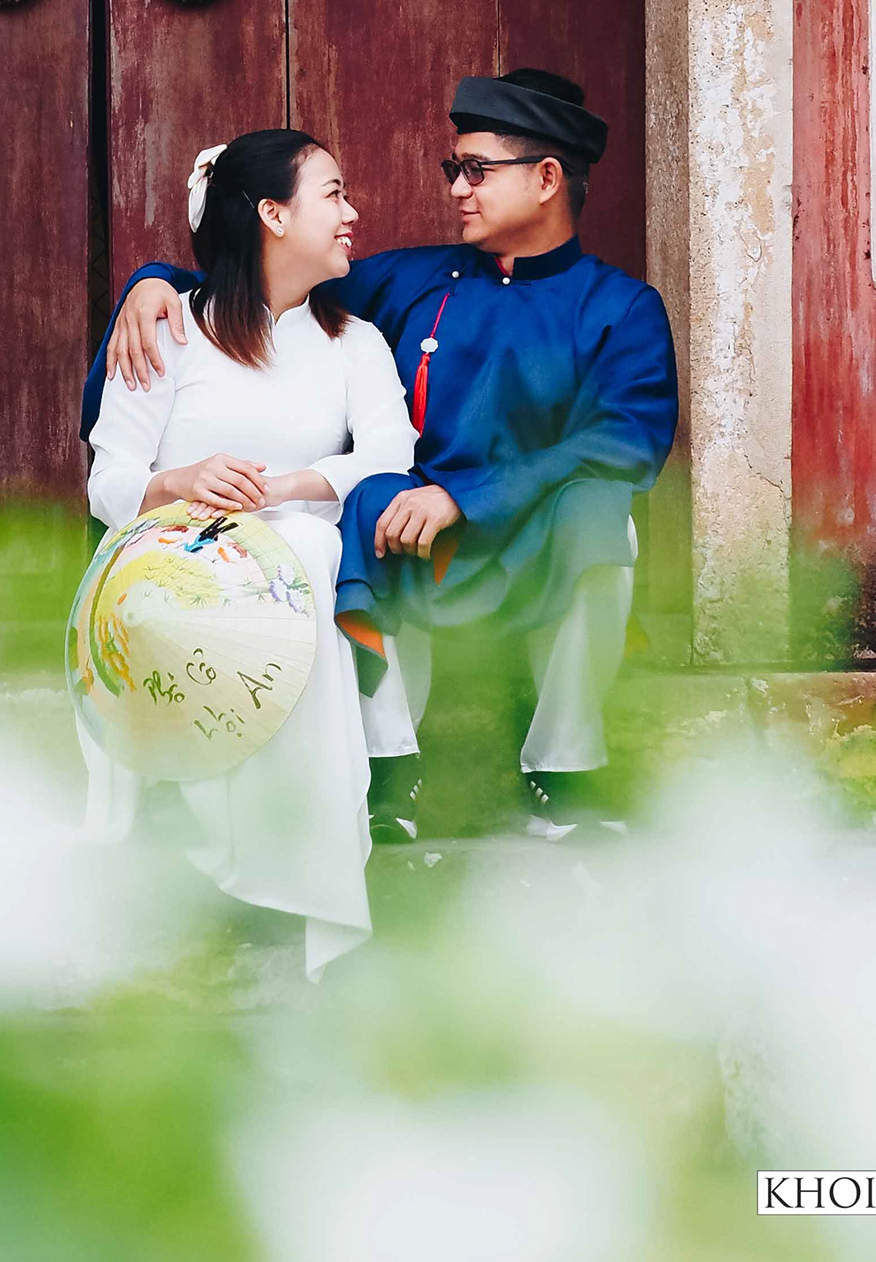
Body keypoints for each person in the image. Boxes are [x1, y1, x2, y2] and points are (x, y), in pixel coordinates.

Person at [87, 68, 678, 838]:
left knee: (607, 515)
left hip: (533, 527)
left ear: (546, 179)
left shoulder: (621, 307)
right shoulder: (412, 279)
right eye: (452, 170)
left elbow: (625, 441)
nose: (457, 188)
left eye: (476, 170)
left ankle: (564, 770)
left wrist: (469, 496)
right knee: (365, 506)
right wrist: (151, 281)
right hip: (412, 535)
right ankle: (388, 772)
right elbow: (261, 278)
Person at [80, 129, 420, 974]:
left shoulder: (355, 343)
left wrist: (289, 486)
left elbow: (391, 456)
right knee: (305, 553)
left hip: (290, 571)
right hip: (164, 568)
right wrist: (178, 482)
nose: (353, 213)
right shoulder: (168, 330)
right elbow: (109, 479)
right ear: (272, 214)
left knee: (305, 543)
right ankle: (294, 850)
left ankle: (275, 841)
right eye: (333, 194)